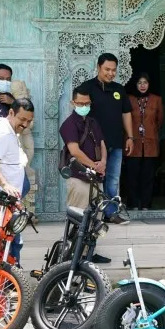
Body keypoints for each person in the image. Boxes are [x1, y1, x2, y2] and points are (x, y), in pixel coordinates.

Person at [76, 53, 133, 225]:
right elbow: (79, 114)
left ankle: (111, 213)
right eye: (107, 69)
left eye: (113, 70)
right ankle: (92, 214)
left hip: (115, 142)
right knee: (93, 179)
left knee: (113, 179)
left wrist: (130, 136)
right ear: (98, 67)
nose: (110, 73)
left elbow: (126, 113)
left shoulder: (119, 89)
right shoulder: (86, 88)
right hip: (93, 145)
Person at [0, 98, 34, 268]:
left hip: (10, 203)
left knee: (13, 243)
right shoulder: (1, 132)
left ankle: (11, 281)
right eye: (22, 119)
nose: (25, 124)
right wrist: (5, 185)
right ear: (11, 113)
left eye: (29, 121)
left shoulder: (12, 131)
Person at [60, 86, 111, 264]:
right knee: (78, 219)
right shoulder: (68, 124)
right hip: (79, 177)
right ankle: (73, 256)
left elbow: (102, 143)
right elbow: (74, 151)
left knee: (96, 218)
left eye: (87, 103)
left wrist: (103, 162)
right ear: (73, 103)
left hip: (96, 178)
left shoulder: (93, 122)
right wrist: (94, 165)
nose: (84, 105)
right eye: (80, 103)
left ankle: (90, 252)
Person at [125, 73, 164, 210]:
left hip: (150, 143)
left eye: (145, 82)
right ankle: (133, 204)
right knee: (132, 175)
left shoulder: (156, 99)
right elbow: (125, 119)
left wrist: (150, 130)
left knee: (148, 177)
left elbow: (160, 120)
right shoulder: (129, 99)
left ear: (149, 84)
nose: (142, 85)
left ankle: (146, 204)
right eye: (139, 82)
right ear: (135, 84)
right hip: (132, 143)